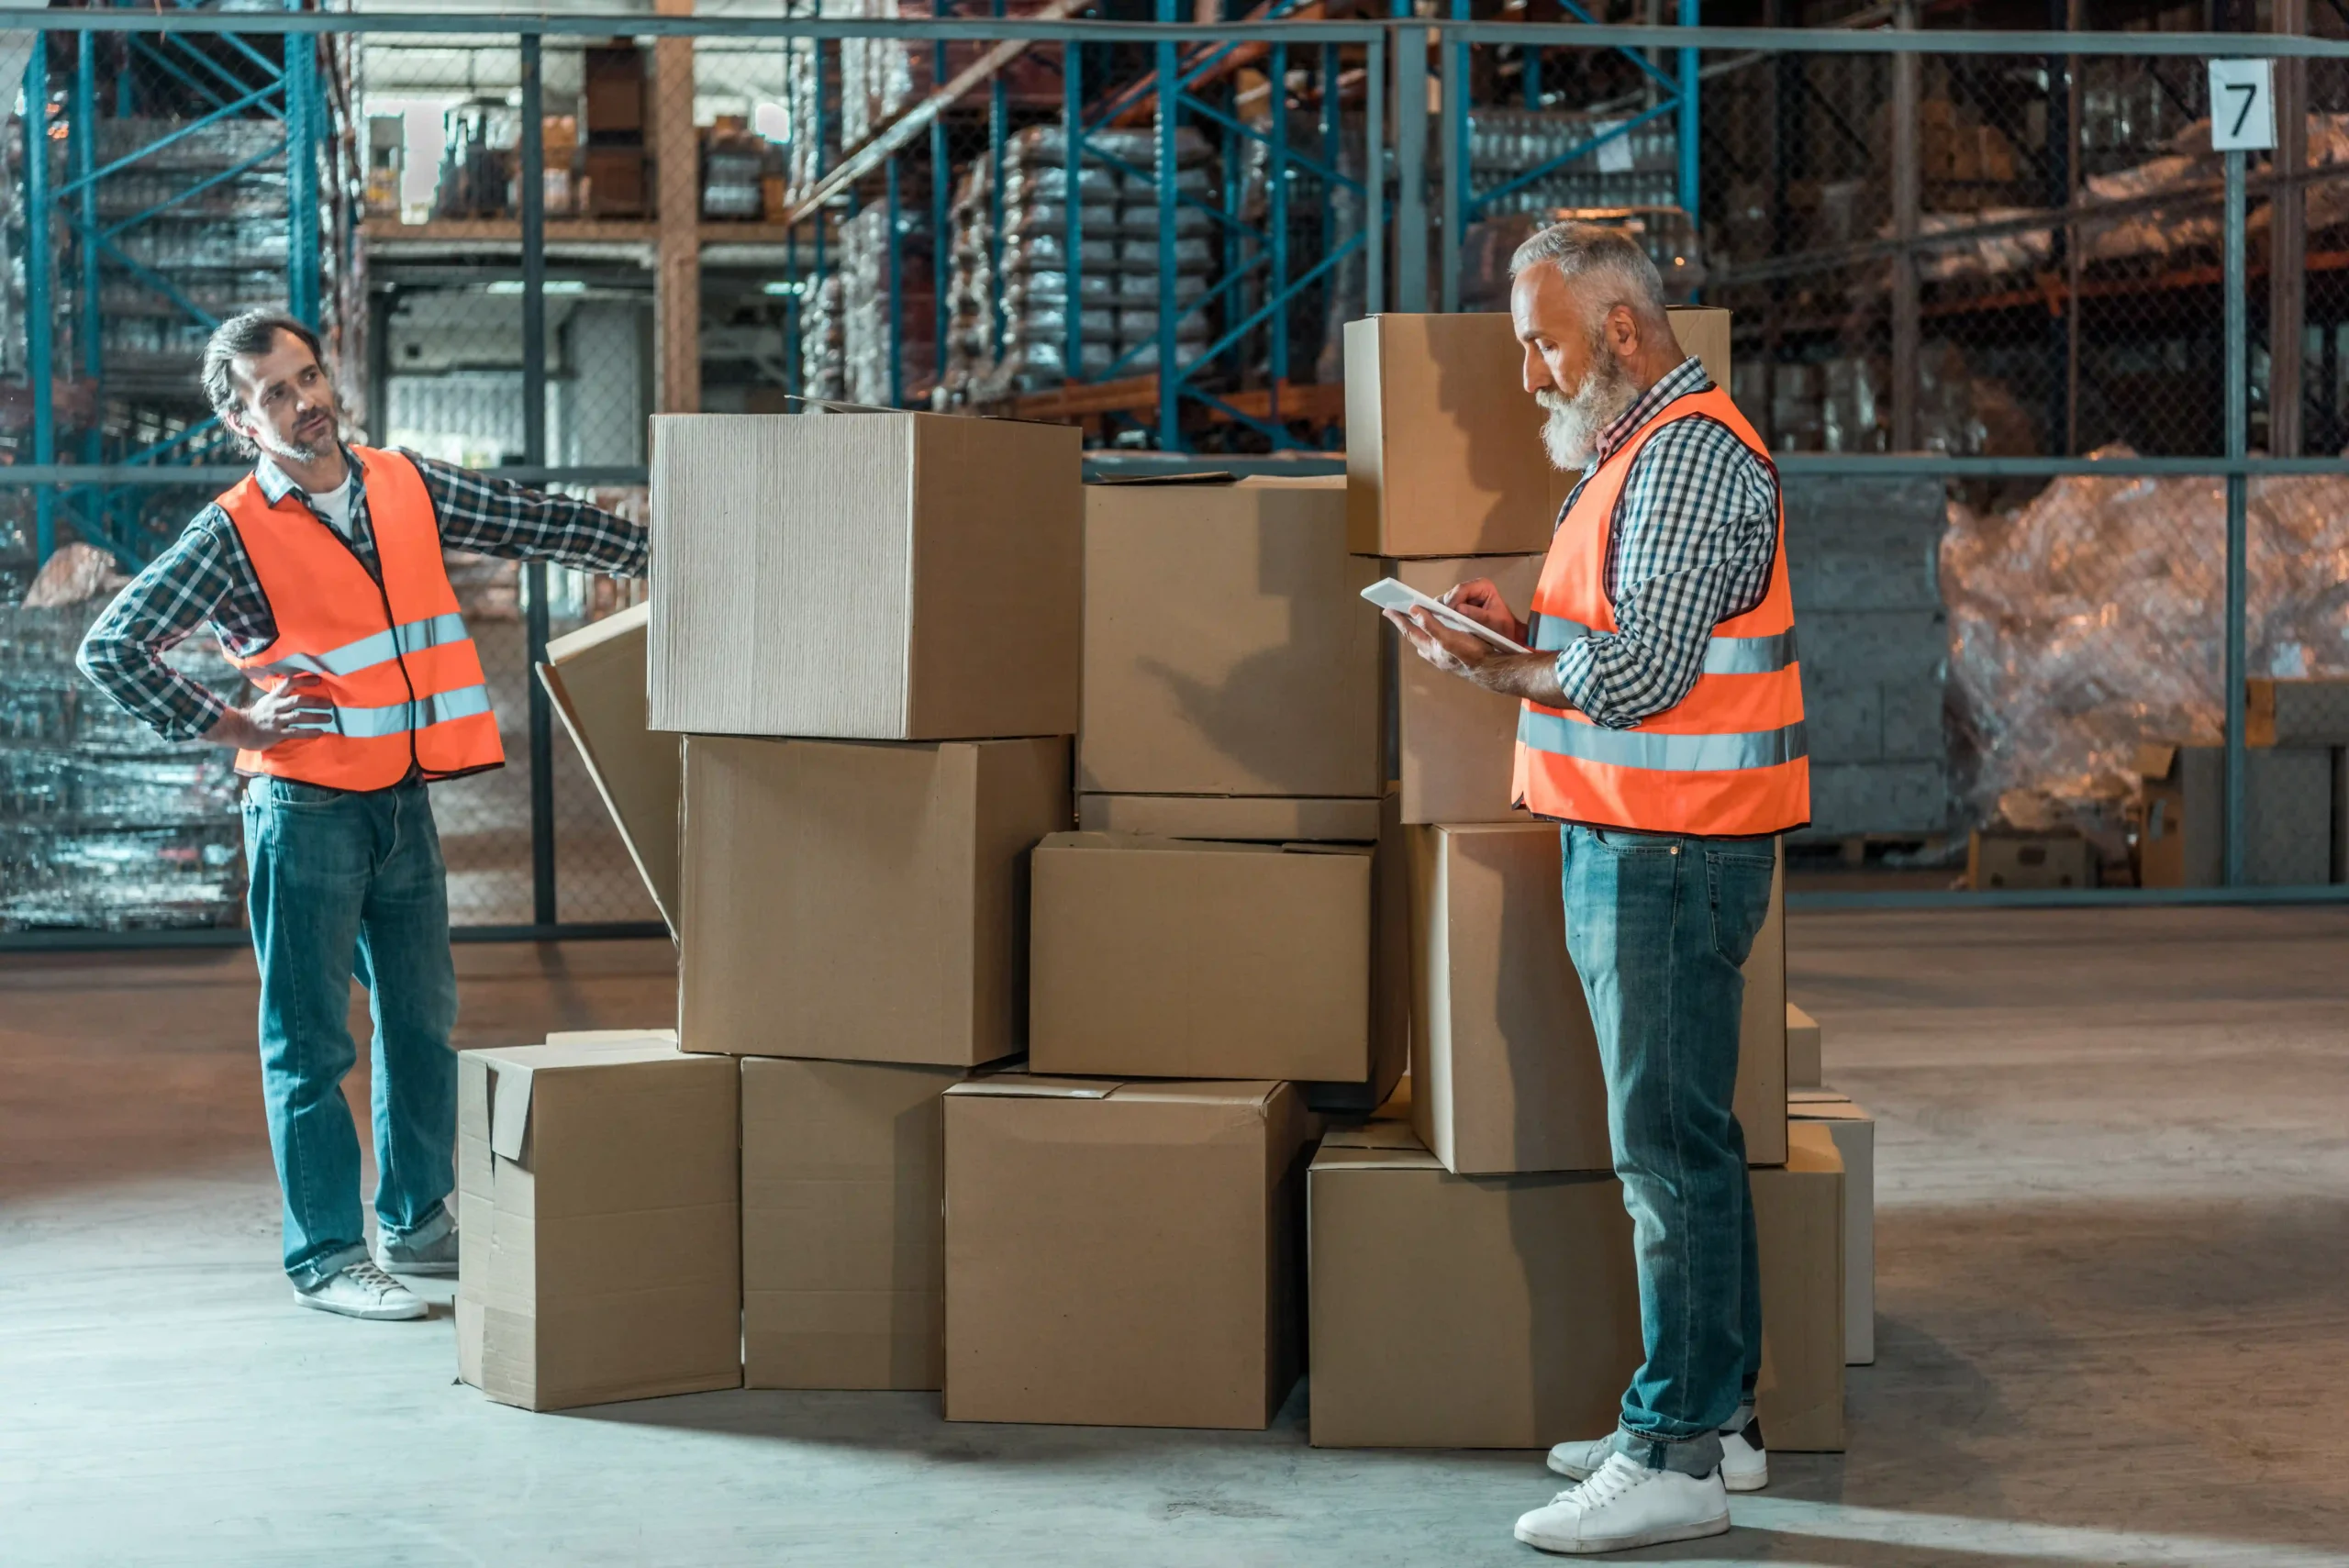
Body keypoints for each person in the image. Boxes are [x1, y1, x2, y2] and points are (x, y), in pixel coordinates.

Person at [78, 310, 649, 1322]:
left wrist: (648, 549)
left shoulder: (402, 482)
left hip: (401, 799)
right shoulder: (231, 532)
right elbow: (113, 647)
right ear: (239, 421)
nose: (307, 405)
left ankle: (419, 1220)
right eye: (277, 395)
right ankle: (328, 1254)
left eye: (310, 378)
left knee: (423, 1020)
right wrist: (230, 720)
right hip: (302, 814)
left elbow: (529, 520)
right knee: (310, 1045)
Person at [1386, 224, 1807, 1555]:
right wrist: (1512, 633)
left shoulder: (1684, 453)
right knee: (1690, 1140)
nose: (1528, 374)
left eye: (1543, 339)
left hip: (1667, 848)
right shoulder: (1642, 451)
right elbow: (1619, 636)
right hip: (1644, 838)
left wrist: (1494, 677)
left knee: (1665, 1158)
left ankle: (1673, 1448)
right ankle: (1719, 1418)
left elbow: (1642, 680)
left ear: (1621, 332)